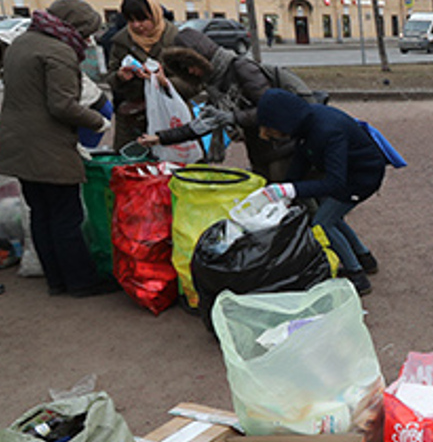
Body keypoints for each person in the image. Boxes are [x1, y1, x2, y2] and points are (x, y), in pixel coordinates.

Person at [0, 0, 117, 296]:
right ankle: (80, 281)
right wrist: (97, 121)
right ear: (73, 27)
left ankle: (57, 280)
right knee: (67, 216)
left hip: (17, 144)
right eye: (86, 32)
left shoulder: (22, 43)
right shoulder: (59, 52)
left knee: (41, 213)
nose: (88, 39)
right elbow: (62, 105)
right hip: (48, 148)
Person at [248, 88, 386, 296]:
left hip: (361, 178)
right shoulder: (307, 123)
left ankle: (356, 274)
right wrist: (287, 188)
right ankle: (365, 258)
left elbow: (335, 183)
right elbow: (302, 159)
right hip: (351, 174)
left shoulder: (327, 130)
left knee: (322, 223)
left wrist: (290, 189)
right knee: (333, 216)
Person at [136, 30, 315, 180]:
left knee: (296, 200)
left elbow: (272, 110)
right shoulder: (215, 85)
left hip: (283, 148)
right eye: (184, 68)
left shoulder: (242, 68)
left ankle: (325, 223)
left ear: (202, 57)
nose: (190, 71)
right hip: (260, 152)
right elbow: (201, 125)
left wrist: (233, 117)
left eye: (190, 64)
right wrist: (160, 138)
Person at [104, 0, 182, 151]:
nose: (136, 25)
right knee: (131, 168)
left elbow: (194, 84)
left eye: (142, 19)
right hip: (132, 120)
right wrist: (120, 77)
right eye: (130, 20)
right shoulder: (121, 41)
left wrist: (165, 82)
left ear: (155, 15)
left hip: (170, 117)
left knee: (172, 168)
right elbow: (111, 79)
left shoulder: (176, 38)